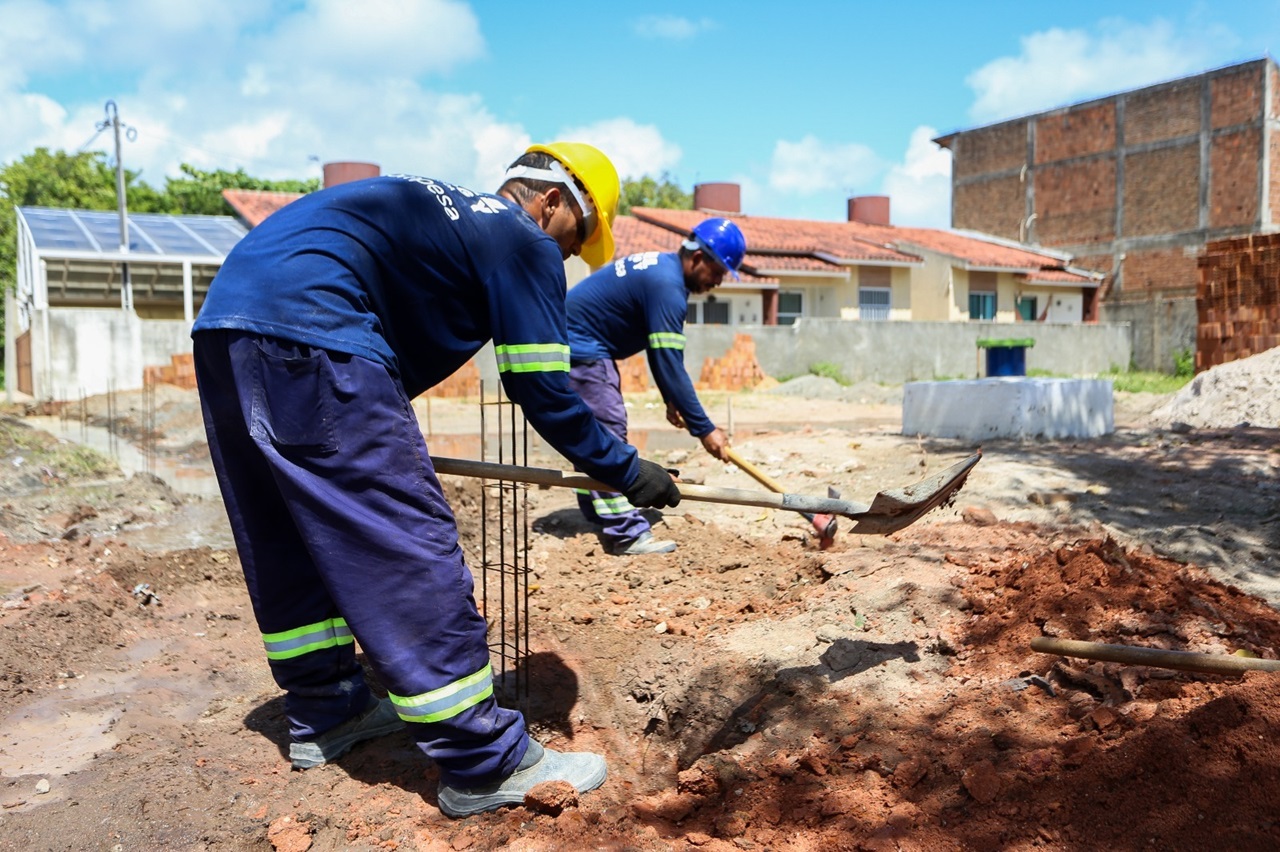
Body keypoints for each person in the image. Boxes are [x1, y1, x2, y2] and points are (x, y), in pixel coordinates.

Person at [189, 142, 682, 818]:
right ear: (553, 202)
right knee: (406, 540)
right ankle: (484, 762)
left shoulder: (449, 219)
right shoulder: (521, 239)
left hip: (227, 324)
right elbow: (545, 390)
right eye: (578, 240)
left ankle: (327, 709)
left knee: (286, 529)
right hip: (315, 331)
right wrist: (627, 470)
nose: (569, 258)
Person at [565, 218, 746, 555]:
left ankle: (597, 513)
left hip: (574, 344)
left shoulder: (664, 272)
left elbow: (659, 356)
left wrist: (670, 399)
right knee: (607, 433)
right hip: (582, 348)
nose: (718, 282)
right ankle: (626, 534)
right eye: (718, 271)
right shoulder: (668, 287)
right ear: (697, 258)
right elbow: (669, 363)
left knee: (591, 433)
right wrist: (704, 429)